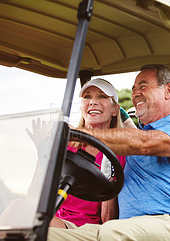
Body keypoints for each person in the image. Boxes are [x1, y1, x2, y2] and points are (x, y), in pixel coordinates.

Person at [48, 64, 170, 241]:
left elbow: (144, 143)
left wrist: (74, 133)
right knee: (40, 234)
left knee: (112, 232)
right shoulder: (131, 139)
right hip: (126, 228)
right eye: (133, 89)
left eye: (143, 86)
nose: (134, 94)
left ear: (168, 91)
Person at [51, 78, 127, 229]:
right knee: (20, 209)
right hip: (56, 218)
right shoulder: (66, 145)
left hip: (86, 228)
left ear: (115, 110)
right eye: (87, 97)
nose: (93, 102)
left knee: (34, 221)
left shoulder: (121, 153)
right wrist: (43, 152)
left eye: (102, 96)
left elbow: (108, 220)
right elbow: (39, 197)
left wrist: (109, 181)